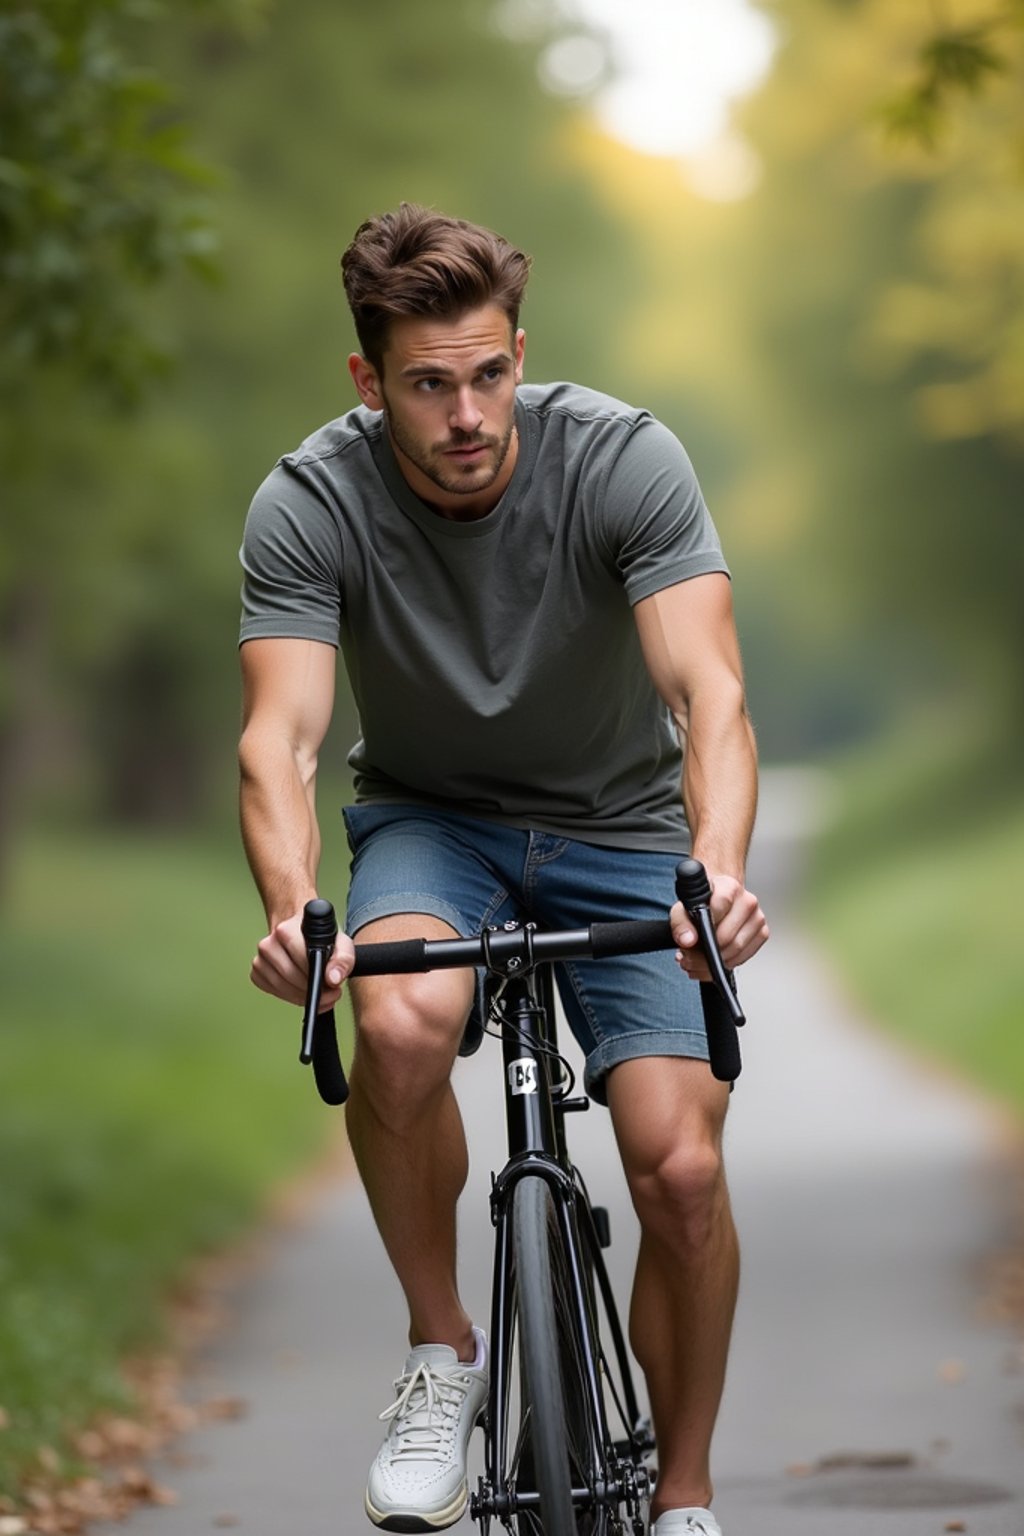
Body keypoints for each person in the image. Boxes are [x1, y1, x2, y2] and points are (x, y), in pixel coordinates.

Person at [238, 203, 768, 1536]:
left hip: (627, 830)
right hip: (435, 822)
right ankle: (443, 1357)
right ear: (371, 382)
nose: (467, 412)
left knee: (681, 1172)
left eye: (489, 372)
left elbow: (708, 693)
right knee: (400, 1025)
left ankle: (688, 1500)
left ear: (518, 351)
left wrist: (712, 875)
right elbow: (280, 740)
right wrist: (298, 913)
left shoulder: (624, 461)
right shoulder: (311, 500)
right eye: (428, 383)